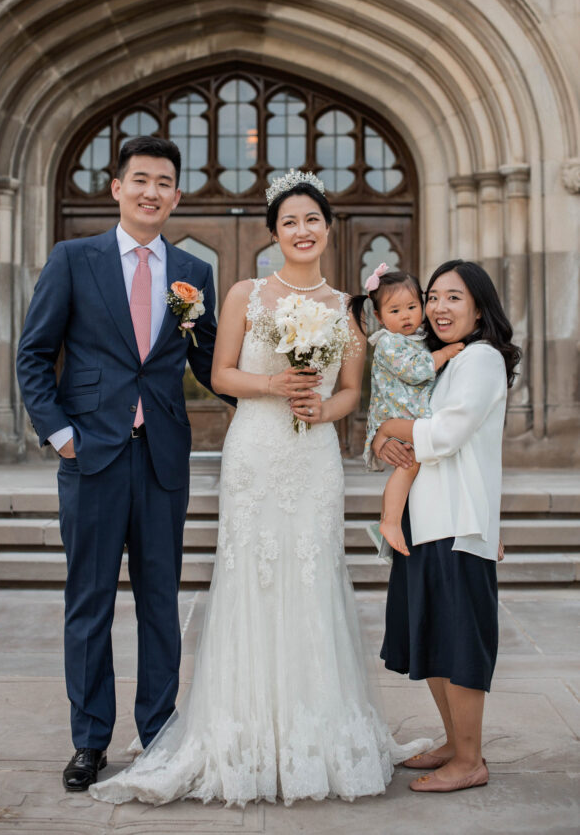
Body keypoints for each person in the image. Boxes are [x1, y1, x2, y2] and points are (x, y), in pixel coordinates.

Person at [90, 169, 430, 807]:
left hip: (313, 457)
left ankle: (316, 732)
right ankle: (241, 733)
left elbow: (351, 391)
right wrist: (275, 386)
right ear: (274, 233)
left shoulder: (346, 311)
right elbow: (221, 371)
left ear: (327, 229)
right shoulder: (247, 291)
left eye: (312, 220)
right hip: (255, 451)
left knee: (312, 577)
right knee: (253, 578)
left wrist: (320, 410)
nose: (302, 231)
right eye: (290, 222)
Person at [16, 135, 229, 792]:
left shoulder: (194, 270)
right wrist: (60, 435)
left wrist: (280, 389)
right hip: (93, 456)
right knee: (90, 603)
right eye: (140, 179)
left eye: (164, 181)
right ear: (117, 188)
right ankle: (90, 741)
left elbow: (208, 361)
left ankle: (160, 733)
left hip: (163, 456)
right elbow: (33, 353)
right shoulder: (73, 259)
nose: (151, 191)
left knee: (162, 603)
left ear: (176, 194)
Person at [360, 260, 520, 793]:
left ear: (479, 306)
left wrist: (383, 424)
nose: (437, 307)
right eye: (432, 296)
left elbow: (445, 433)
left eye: (453, 297)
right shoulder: (434, 361)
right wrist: (386, 438)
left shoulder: (479, 358)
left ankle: (471, 760)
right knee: (431, 637)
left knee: (460, 642)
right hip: (425, 517)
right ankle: (454, 743)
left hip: (456, 520)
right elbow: (417, 425)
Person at [354, 265, 464, 556]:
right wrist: (443, 354)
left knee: (420, 470)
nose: (405, 316)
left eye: (412, 307)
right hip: (396, 416)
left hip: (413, 415)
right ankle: (389, 521)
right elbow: (415, 371)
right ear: (379, 317)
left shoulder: (419, 336)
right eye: (395, 311)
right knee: (409, 466)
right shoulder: (389, 342)